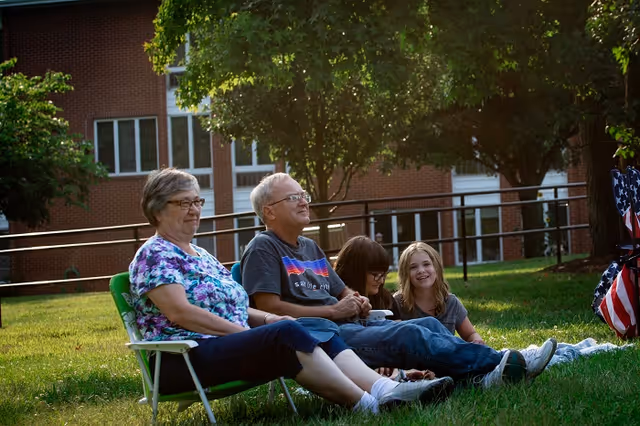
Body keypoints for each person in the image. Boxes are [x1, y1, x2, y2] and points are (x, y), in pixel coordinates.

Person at [128, 168, 456, 416]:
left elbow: (240, 306)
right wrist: (245, 332)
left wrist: (269, 318)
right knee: (286, 330)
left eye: (197, 201)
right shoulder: (155, 254)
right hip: (182, 359)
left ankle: (385, 391)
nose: (194, 210)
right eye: (183, 203)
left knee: (290, 326)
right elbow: (180, 313)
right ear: (157, 209)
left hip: (222, 347)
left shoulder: (201, 255)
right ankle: (372, 403)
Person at [241, 172, 557, 388]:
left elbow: (341, 289)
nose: (304, 201)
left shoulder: (309, 246)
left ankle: (482, 377)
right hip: (322, 339)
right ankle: (505, 361)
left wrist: (356, 299)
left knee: (430, 327)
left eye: (303, 194)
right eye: (294, 197)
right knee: (410, 335)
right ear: (269, 212)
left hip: (351, 325)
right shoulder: (263, 247)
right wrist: (333, 312)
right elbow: (269, 308)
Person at [334, 235, 435, 381]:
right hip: (358, 360)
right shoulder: (337, 300)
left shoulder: (385, 298)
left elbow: (400, 334)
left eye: (384, 275)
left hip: (393, 358)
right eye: (375, 275)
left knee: (429, 325)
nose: (381, 281)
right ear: (355, 272)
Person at [395, 241, 484, 344]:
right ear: (405, 274)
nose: (421, 270)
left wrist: (476, 340)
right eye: (413, 267)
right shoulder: (397, 303)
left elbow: (470, 334)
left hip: (447, 357)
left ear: (436, 268)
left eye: (426, 264)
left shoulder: (450, 302)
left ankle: (501, 356)